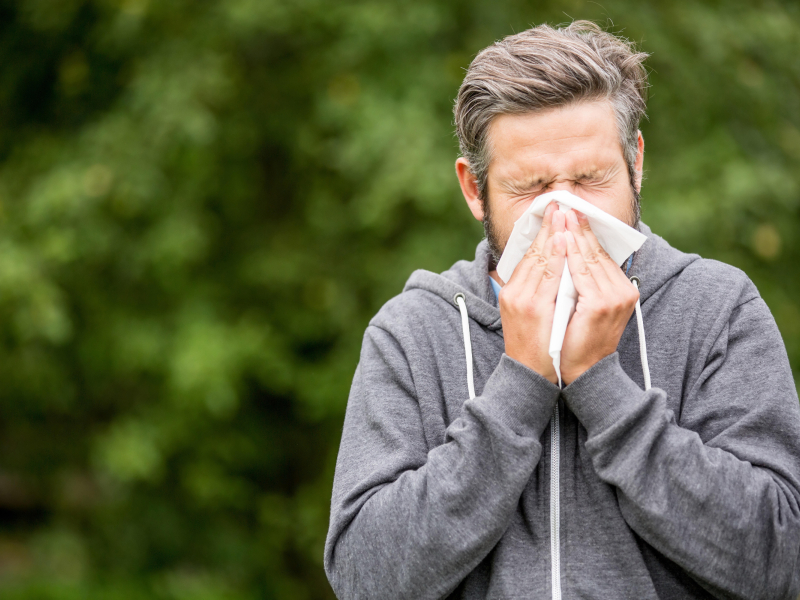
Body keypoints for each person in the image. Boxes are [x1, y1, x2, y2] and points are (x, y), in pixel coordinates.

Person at [323, 20, 800, 600]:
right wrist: (519, 384)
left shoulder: (717, 307)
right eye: (532, 187)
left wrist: (603, 387)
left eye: (591, 179)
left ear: (636, 164)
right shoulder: (413, 332)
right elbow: (362, 578)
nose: (566, 215)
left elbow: (780, 563)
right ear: (474, 190)